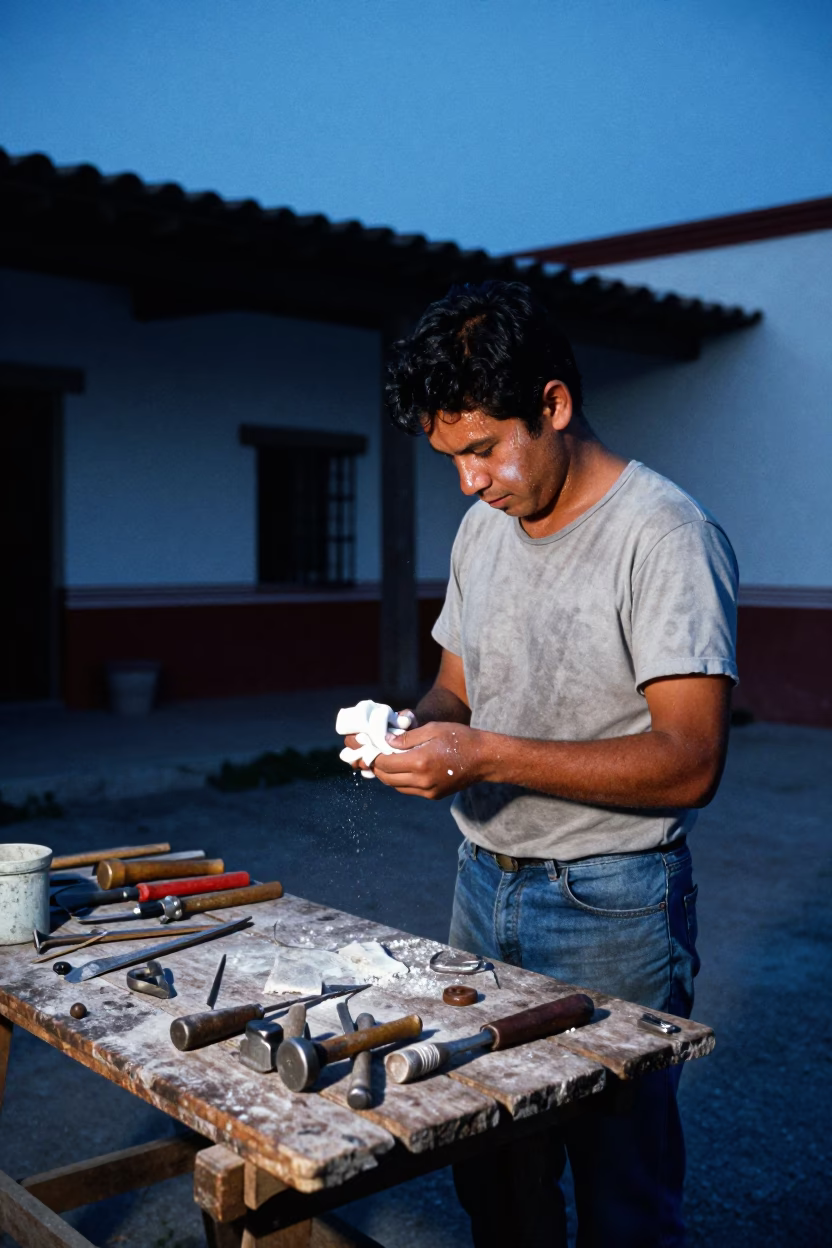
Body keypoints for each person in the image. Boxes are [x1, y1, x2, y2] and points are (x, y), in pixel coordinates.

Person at [342, 281, 738, 1247]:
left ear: (554, 406)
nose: (470, 482)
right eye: (451, 459)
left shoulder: (665, 534)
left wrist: (482, 755)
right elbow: (457, 693)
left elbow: (690, 763)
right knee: (493, 1171)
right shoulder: (484, 527)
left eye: (483, 449)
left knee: (622, 1193)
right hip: (482, 888)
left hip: (613, 902)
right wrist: (405, 730)